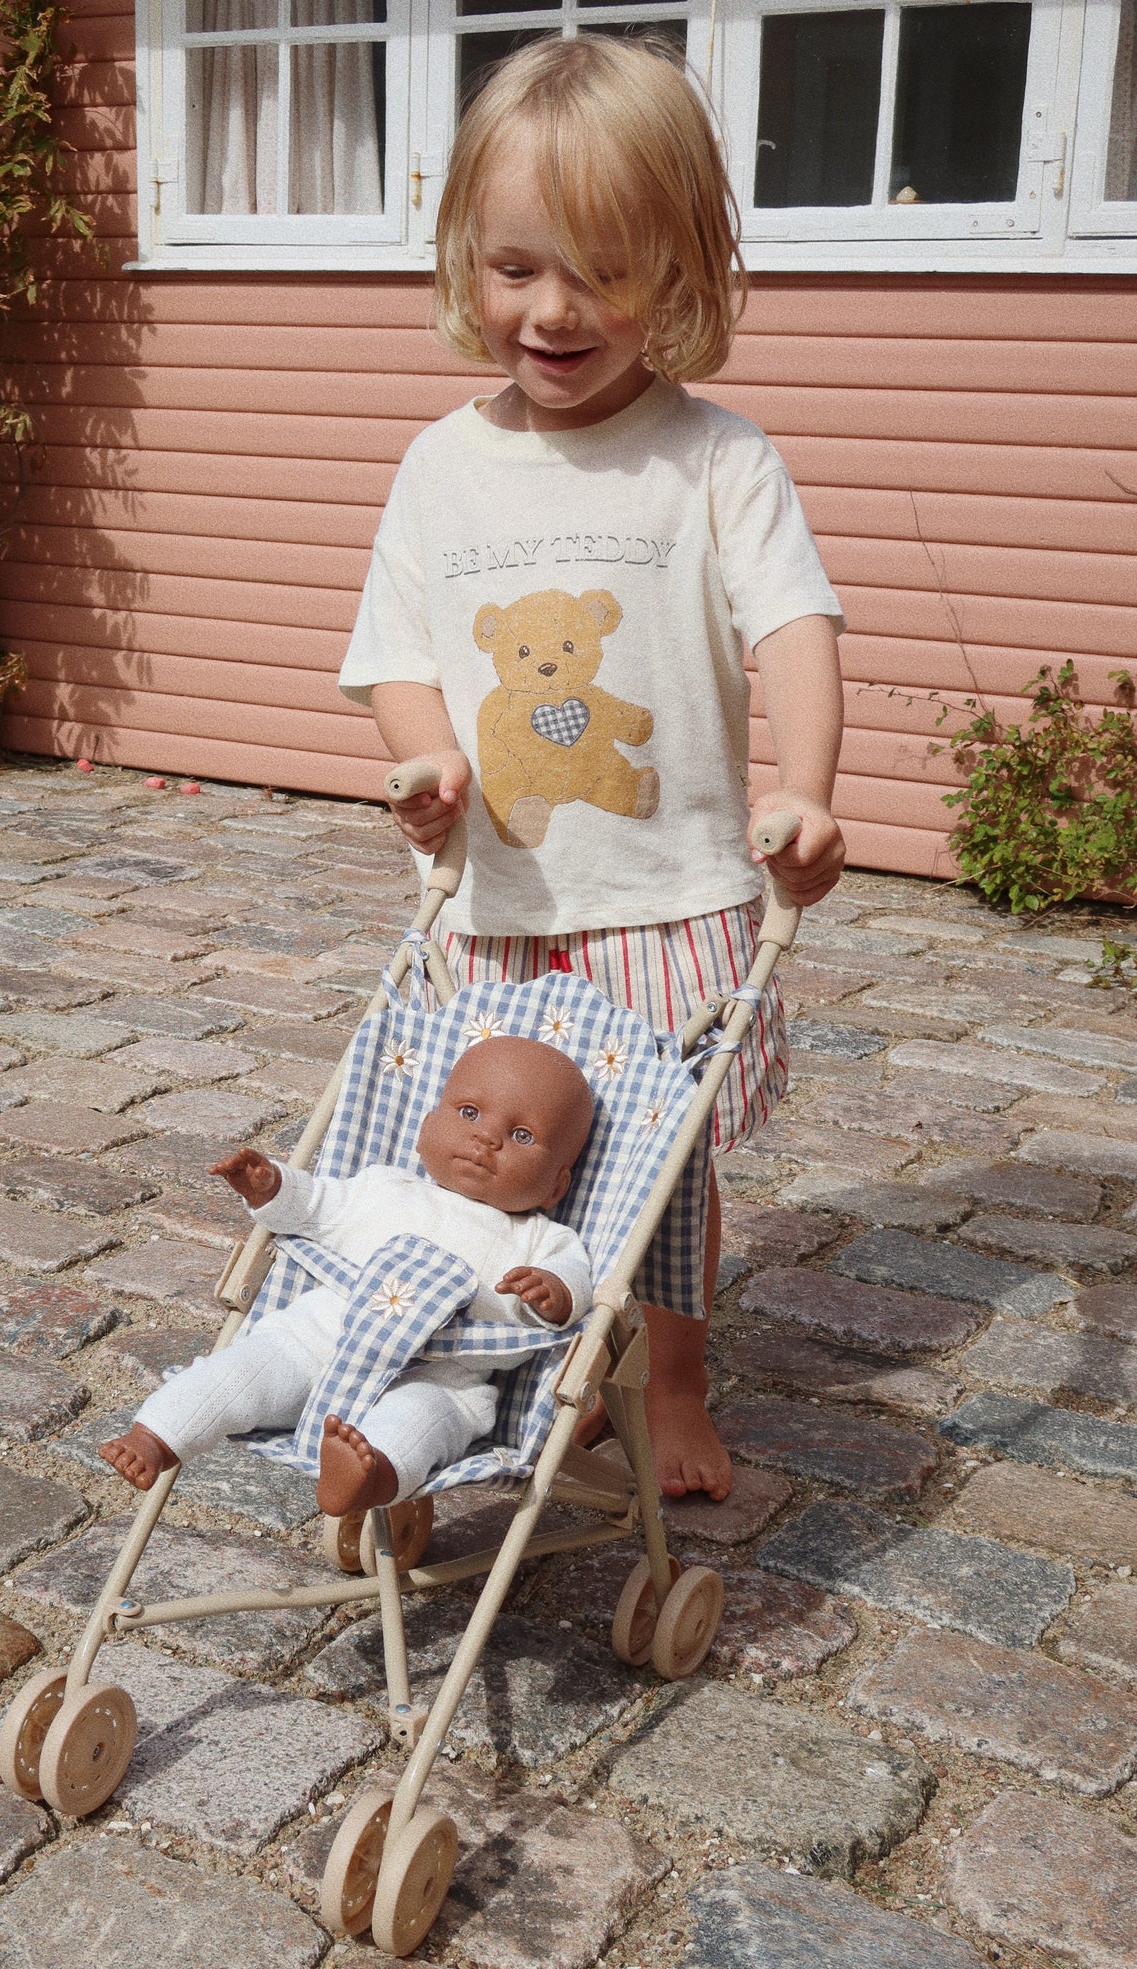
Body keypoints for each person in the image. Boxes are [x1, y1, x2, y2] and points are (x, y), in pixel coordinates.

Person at [338, 35, 847, 1503]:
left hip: (668, 891)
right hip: (498, 904)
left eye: (602, 271)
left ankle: (670, 1379)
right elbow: (397, 651)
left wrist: (800, 792)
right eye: (513, 270)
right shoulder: (441, 466)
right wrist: (425, 757)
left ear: (681, 270)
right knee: (497, 1146)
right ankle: (495, 1359)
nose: (551, 312)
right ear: (463, 263)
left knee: (659, 1158)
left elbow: (796, 629)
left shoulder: (712, 460)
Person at [99, 1035, 595, 1514]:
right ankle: (157, 1436)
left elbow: (575, 1282)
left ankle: (368, 1476)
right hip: (315, 1343)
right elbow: (312, 1207)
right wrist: (270, 1186)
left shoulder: (541, 1238)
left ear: (556, 1185)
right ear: (425, 1128)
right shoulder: (383, 1188)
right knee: (238, 1371)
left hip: (437, 1377)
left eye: (522, 1135)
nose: (487, 1138)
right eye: (469, 1113)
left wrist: (553, 1291)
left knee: (423, 1422)